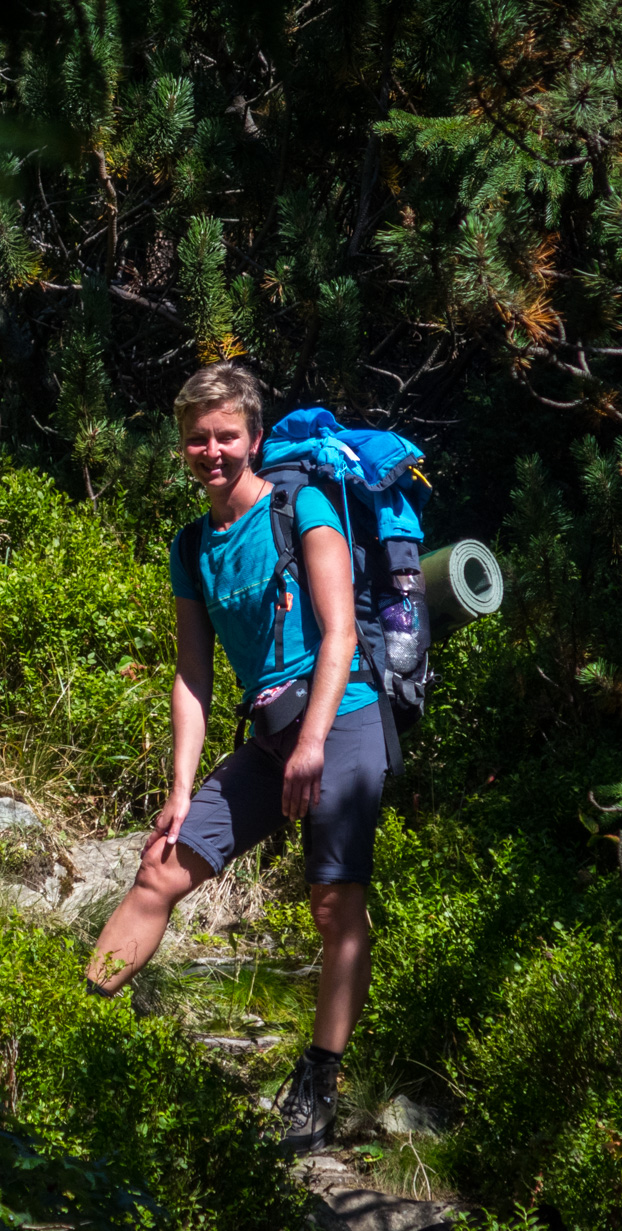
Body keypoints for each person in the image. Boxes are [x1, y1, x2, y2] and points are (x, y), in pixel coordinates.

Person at [85, 363, 386, 1155]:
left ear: (253, 437)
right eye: (196, 439)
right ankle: (75, 1021)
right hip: (269, 735)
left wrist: (313, 742)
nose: (211, 451)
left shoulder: (302, 507)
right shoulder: (192, 545)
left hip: (344, 716)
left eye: (226, 436)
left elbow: (341, 635)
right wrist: (180, 787)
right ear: (182, 446)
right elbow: (194, 672)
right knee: (160, 866)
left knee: (332, 909)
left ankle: (318, 1082)